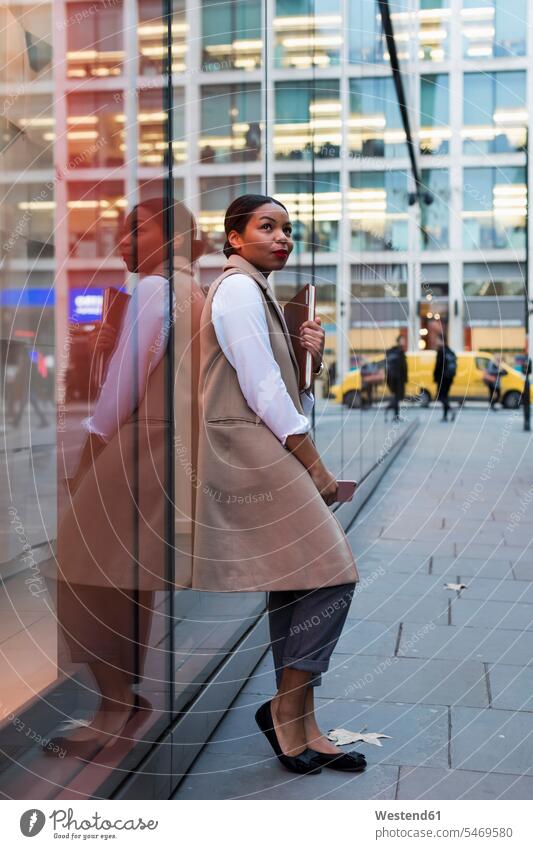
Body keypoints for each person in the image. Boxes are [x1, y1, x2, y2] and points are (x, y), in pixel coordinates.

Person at [192, 194, 365, 776]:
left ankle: (305, 726)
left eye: (288, 229)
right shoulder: (238, 289)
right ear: (234, 238)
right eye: (267, 227)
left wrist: (304, 358)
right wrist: (315, 465)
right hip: (250, 452)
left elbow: (285, 390)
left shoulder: (259, 293)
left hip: (265, 448)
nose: (282, 237)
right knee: (334, 574)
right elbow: (261, 388)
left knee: (298, 583)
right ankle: (284, 710)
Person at [46, 198, 205, 758]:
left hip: (136, 446)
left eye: (137, 231)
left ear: (174, 237)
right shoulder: (194, 289)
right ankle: (122, 700)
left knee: (76, 563)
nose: (123, 243)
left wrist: (89, 451)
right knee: (122, 571)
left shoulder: (158, 290)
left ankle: (114, 705)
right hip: (168, 451)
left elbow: (122, 386)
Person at [433, 337, 457, 422]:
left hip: (442, 378)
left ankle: (451, 410)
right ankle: (445, 416)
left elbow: (438, 366)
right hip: (449, 378)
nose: (436, 342)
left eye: (438, 340)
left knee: (440, 397)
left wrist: (435, 377)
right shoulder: (450, 351)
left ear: (442, 341)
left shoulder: (441, 351)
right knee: (445, 396)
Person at [385, 334, 407, 422]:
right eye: (403, 340)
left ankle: (396, 415)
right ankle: (389, 410)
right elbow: (403, 367)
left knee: (396, 397)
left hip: (392, 378)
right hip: (398, 379)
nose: (404, 341)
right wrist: (405, 379)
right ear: (399, 341)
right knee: (397, 398)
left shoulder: (392, 351)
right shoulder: (399, 352)